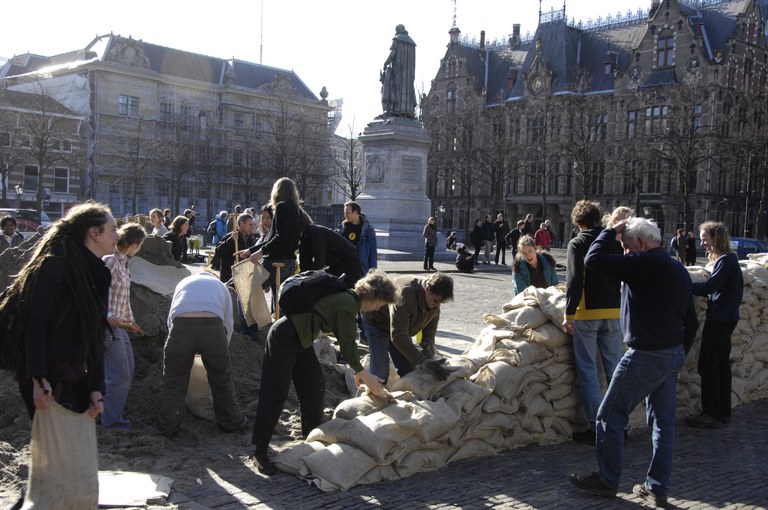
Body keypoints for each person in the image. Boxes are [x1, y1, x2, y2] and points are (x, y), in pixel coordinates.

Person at [570, 216, 698, 509]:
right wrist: (679, 354)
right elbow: (691, 320)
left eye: (626, 247)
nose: (624, 252)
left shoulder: (644, 264)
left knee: (608, 417)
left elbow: (593, 259)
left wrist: (609, 232)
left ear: (640, 243)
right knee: (663, 424)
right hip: (671, 351)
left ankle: (607, 478)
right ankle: (657, 487)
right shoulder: (677, 268)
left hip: (645, 354)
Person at [1, 202, 117, 507]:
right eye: (112, 228)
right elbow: (34, 326)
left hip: (78, 374)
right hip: (47, 376)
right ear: (94, 233)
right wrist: (38, 378)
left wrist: (96, 388)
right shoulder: (54, 266)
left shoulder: (99, 274)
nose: (117, 235)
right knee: (55, 464)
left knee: (70, 463)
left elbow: (95, 335)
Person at [251, 269, 400, 475]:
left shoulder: (348, 301)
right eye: (380, 305)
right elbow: (347, 345)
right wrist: (363, 373)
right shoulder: (346, 304)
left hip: (301, 340)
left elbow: (347, 344)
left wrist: (359, 372)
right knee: (275, 393)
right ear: (374, 299)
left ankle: (312, 439)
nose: (377, 310)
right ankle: (258, 450)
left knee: (314, 386)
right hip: (284, 338)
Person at [156, 271, 247, 438]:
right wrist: (221, 350)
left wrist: (179, 347)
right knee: (221, 377)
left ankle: (168, 424)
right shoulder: (221, 286)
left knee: (174, 378)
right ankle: (231, 422)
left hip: (180, 326)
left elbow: (171, 319)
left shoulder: (183, 283)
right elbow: (228, 323)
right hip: (213, 326)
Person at [562, 201, 623, 445]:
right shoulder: (614, 243)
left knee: (588, 372)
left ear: (578, 222)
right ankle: (620, 425)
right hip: (614, 312)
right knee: (615, 371)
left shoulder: (578, 243)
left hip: (587, 313)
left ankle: (598, 429)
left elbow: (574, 279)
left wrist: (569, 314)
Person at [685, 221, 743, 429]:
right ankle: (723, 411)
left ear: (716, 238)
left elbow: (711, 286)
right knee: (721, 365)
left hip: (719, 319)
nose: (702, 243)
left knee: (708, 365)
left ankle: (711, 413)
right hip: (727, 317)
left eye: (705, 238)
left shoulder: (725, 261)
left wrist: (685, 285)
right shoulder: (730, 260)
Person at [362, 271, 454, 384]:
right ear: (427, 289)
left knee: (409, 370)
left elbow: (433, 318)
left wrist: (428, 341)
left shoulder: (434, 297)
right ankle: (375, 397)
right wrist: (423, 362)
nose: (438, 305)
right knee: (380, 374)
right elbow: (398, 336)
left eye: (441, 302)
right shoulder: (404, 295)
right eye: (435, 301)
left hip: (400, 327)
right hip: (378, 322)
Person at [238, 178, 312, 303]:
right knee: (281, 301)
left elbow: (278, 237)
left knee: (244, 289)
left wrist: (260, 252)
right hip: (290, 262)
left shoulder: (281, 207)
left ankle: (252, 322)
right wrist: (251, 250)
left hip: (275, 261)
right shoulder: (297, 210)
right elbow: (276, 238)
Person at [101, 223, 146, 429]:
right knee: (120, 372)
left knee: (129, 366)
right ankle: (111, 421)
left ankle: (107, 412)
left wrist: (131, 322)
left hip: (120, 325)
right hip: (108, 326)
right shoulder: (109, 261)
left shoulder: (125, 265)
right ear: (134, 244)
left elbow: (123, 300)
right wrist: (108, 314)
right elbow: (97, 291)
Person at [299, 224, 362, 288]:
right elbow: (305, 265)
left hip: (349, 263)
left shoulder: (316, 233)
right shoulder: (304, 238)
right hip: (338, 263)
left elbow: (319, 260)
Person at [380, 24, 417, 118]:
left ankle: (395, 110)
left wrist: (385, 63)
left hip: (398, 70)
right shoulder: (412, 43)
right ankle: (407, 111)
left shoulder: (396, 39)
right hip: (409, 73)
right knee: (408, 90)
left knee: (396, 88)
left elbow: (392, 53)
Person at [338, 200, 377, 274]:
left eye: (347, 213)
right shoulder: (342, 228)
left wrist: (373, 273)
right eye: (344, 213)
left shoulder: (368, 230)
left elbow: (373, 253)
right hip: (343, 269)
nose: (345, 215)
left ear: (356, 212)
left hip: (361, 270)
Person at [216, 213, 257, 283]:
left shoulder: (250, 239)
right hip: (230, 278)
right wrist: (231, 240)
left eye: (252, 224)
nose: (252, 227)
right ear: (241, 224)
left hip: (245, 277)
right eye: (250, 224)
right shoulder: (230, 237)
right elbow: (219, 252)